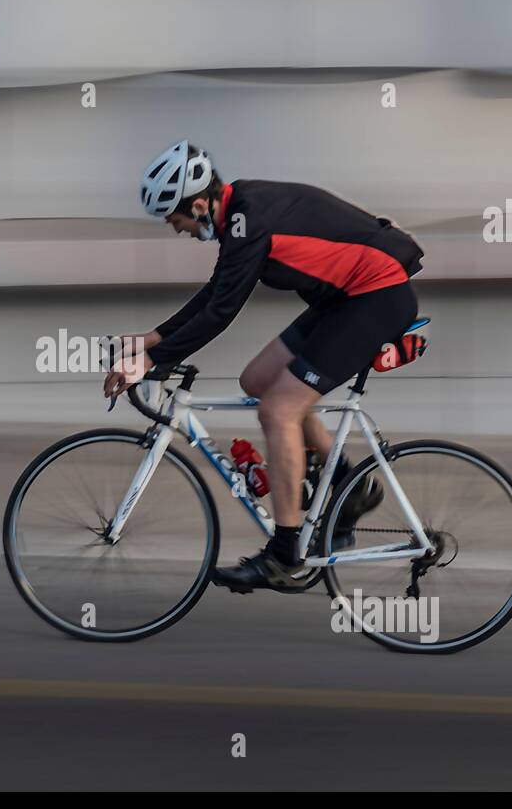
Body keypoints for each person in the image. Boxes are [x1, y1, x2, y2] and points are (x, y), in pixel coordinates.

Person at [103, 141, 424, 592]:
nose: (176, 229)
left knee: (278, 410)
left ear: (198, 205)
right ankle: (349, 487)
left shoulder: (248, 219)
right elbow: (218, 290)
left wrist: (153, 360)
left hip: (377, 296)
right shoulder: (241, 214)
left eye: (174, 219)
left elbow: (221, 311)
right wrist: (154, 339)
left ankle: (285, 554)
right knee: (256, 381)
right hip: (346, 300)